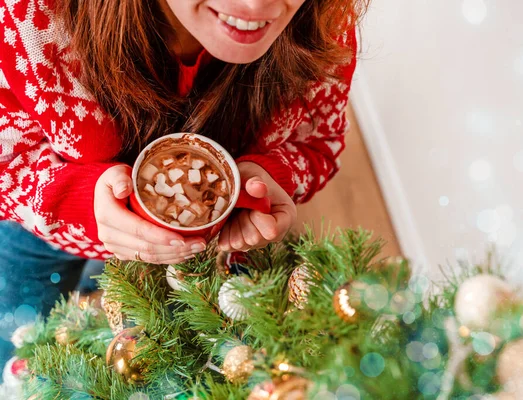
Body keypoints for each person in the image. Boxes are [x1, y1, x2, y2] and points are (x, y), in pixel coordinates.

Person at [0, 0, 364, 373]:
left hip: (203, 258)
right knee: (15, 356)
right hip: (39, 237)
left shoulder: (324, 21)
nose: (256, 5)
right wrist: (73, 200)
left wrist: (269, 174)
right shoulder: (29, 16)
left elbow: (318, 143)